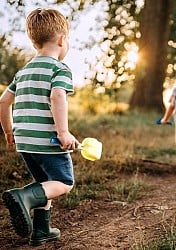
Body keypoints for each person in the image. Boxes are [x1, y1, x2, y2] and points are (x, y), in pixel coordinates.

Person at [0, 8, 79, 246]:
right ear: (62, 39)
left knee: (46, 184)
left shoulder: (23, 72)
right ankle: (23, 196)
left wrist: (8, 131)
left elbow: (3, 102)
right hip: (48, 141)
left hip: (25, 142)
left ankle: (41, 231)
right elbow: (57, 97)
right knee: (64, 183)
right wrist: (63, 132)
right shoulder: (59, 69)